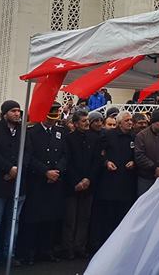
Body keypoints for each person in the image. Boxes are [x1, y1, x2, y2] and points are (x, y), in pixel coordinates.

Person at [0, 100, 29, 269]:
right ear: (4, 113)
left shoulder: (23, 131)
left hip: (17, 184)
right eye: (13, 111)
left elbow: (28, 152)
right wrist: (9, 168)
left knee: (13, 221)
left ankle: (9, 254)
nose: (17, 114)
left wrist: (18, 169)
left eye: (18, 111)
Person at [19, 102, 68, 264]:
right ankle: (29, 252)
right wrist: (45, 172)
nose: (52, 119)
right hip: (37, 181)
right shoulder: (32, 132)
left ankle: (46, 250)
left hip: (55, 180)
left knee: (50, 218)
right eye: (50, 115)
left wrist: (57, 171)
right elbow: (29, 156)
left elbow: (65, 155)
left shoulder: (60, 132)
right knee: (33, 219)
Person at [92, 111, 136, 251]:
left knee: (123, 216)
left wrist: (134, 162)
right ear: (119, 122)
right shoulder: (108, 135)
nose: (130, 122)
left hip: (126, 183)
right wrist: (106, 162)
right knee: (107, 216)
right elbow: (98, 154)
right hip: (110, 183)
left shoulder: (134, 137)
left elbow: (137, 154)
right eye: (127, 120)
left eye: (131, 120)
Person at [61, 111, 99, 260]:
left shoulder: (94, 138)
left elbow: (96, 161)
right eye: (83, 121)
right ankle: (68, 248)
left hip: (88, 184)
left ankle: (80, 247)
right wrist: (77, 181)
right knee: (70, 219)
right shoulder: (68, 139)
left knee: (84, 218)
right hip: (72, 185)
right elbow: (67, 161)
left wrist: (88, 179)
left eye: (87, 120)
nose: (87, 123)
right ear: (76, 124)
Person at [134, 109, 159, 195]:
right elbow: (139, 156)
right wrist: (155, 168)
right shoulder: (142, 136)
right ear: (153, 122)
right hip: (146, 178)